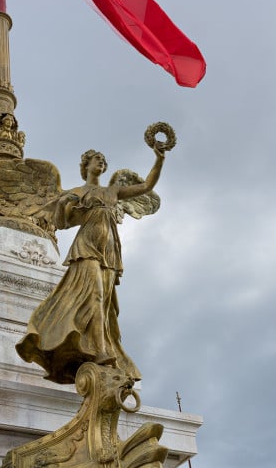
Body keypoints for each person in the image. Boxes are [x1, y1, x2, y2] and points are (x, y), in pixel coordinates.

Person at [16, 142, 165, 384]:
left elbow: (147, 186)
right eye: (97, 159)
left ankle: (98, 344)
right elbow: (62, 222)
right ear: (86, 165)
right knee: (94, 295)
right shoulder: (76, 191)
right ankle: (100, 350)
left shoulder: (112, 192)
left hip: (110, 250)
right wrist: (66, 204)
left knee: (105, 304)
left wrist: (159, 159)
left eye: (104, 161)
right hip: (86, 246)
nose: (102, 163)